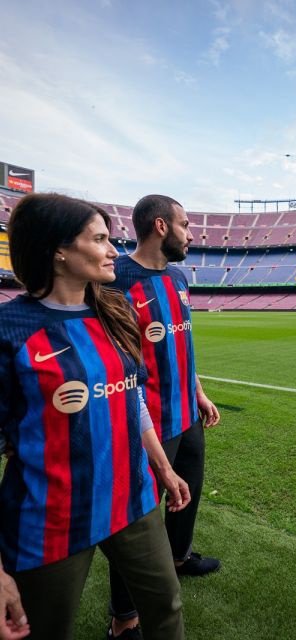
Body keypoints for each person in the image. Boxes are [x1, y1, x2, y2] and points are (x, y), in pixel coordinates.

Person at [0, 193, 191, 640]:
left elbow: (132, 396)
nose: (113, 251)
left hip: (134, 498)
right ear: (59, 251)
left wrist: (162, 467)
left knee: (166, 609)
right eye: (100, 239)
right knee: (43, 629)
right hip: (50, 516)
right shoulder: (10, 330)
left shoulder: (114, 311)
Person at [107, 194, 221, 638]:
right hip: (147, 421)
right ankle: (124, 615)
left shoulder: (177, 276)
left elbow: (183, 344)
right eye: (185, 225)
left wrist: (198, 391)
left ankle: (178, 557)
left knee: (188, 492)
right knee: (140, 518)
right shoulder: (116, 278)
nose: (191, 234)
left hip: (186, 414)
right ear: (160, 226)